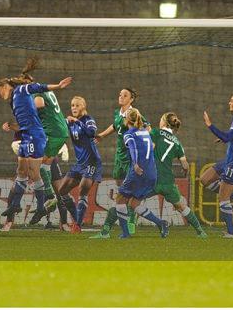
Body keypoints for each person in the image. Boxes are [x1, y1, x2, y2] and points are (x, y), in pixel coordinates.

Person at [0, 71, 72, 228]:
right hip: (28, 135)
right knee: (22, 171)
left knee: (35, 172)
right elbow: (25, 121)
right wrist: (10, 126)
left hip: (37, 135)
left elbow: (39, 87)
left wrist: (57, 85)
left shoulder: (21, 91)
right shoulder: (15, 101)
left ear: (4, 86)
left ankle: (50, 211)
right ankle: (16, 207)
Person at [91, 88, 144, 238]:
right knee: (122, 191)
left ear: (131, 99)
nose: (121, 96)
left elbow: (146, 127)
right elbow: (115, 126)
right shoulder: (118, 113)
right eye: (120, 94)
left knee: (122, 195)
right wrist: (101, 135)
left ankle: (124, 223)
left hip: (130, 159)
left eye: (125, 95)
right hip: (119, 158)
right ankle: (124, 222)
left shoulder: (134, 114)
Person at [150, 112, 206, 237]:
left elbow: (150, 150)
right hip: (168, 181)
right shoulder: (178, 143)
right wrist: (185, 171)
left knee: (134, 200)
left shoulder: (155, 132)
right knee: (181, 207)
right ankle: (200, 231)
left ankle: (130, 229)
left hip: (152, 179)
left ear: (164, 122)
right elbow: (185, 164)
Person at [203, 93, 233, 238]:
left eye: (232, 101)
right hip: (229, 161)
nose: (229, 103)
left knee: (223, 198)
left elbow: (227, 136)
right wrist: (225, 139)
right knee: (205, 179)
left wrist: (210, 125)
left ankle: (231, 233)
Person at [116, 108, 168, 238]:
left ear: (126, 120)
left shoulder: (129, 134)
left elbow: (133, 148)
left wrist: (135, 164)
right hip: (151, 173)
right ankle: (161, 223)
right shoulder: (145, 132)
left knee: (119, 200)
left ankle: (125, 233)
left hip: (138, 172)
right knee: (134, 204)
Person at [57, 96, 102, 234]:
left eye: (77, 105)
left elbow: (91, 133)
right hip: (79, 163)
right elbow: (56, 126)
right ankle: (76, 218)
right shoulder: (69, 123)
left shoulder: (88, 120)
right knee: (62, 190)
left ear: (83, 106)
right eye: (72, 105)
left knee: (83, 189)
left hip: (92, 162)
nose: (74, 108)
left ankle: (77, 225)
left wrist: (76, 121)